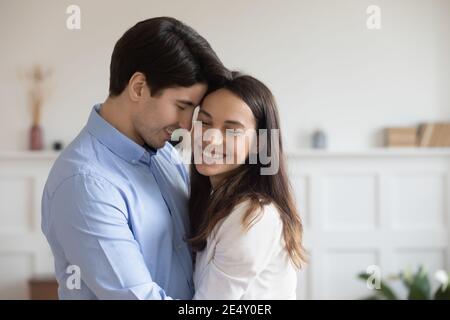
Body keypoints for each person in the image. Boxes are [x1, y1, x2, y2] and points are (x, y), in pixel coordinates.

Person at [41, 17, 229, 299]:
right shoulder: (84, 183)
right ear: (139, 87)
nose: (187, 125)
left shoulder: (165, 154)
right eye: (181, 106)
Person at [189, 73, 307, 299]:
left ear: (259, 145)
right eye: (204, 122)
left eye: (232, 130)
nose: (211, 139)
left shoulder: (252, 215)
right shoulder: (219, 202)